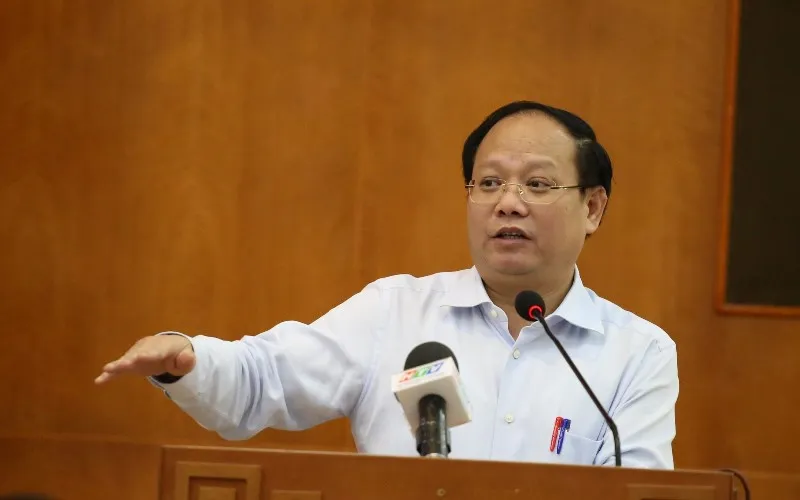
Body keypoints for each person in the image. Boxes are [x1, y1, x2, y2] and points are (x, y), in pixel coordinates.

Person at [96, 101, 678, 468]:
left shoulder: (637, 352)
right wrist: (187, 357)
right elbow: (264, 379)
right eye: (488, 183)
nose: (508, 203)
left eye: (538, 185)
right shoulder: (394, 313)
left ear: (593, 207)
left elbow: (639, 488)